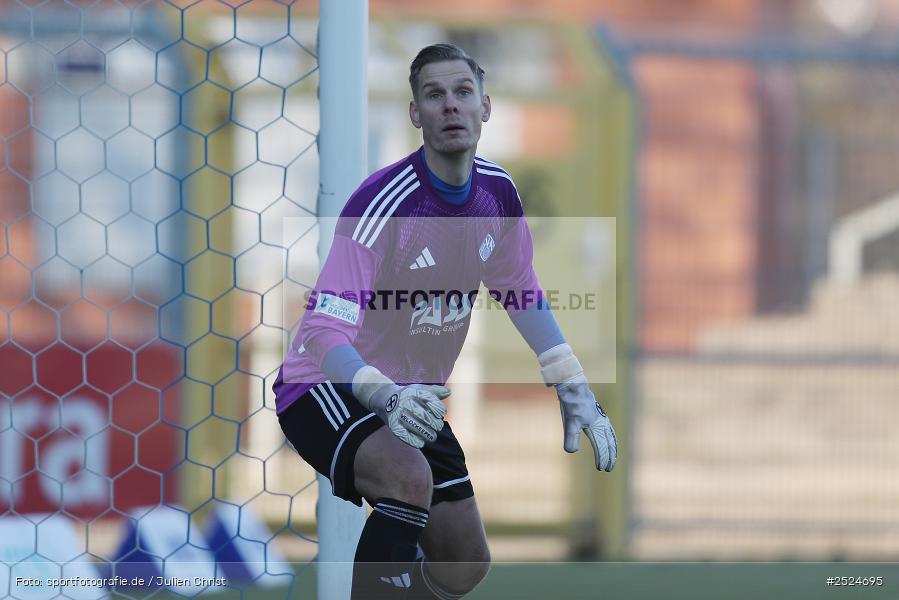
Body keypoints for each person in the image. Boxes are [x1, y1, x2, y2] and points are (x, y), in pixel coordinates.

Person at [274, 43, 617, 599]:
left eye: (462, 93)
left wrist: (571, 381)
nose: (450, 106)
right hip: (326, 386)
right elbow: (321, 332)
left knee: (464, 562)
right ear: (416, 114)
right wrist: (384, 396)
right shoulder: (382, 204)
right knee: (407, 478)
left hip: (415, 397)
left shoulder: (497, 193)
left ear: (486, 107)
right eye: (434, 95)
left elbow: (520, 289)